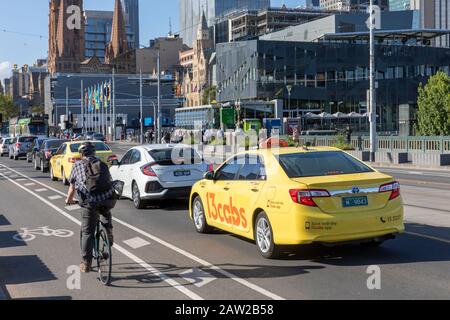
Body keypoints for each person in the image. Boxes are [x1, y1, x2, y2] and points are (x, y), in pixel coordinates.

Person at [65, 142, 116, 273]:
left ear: (81, 154)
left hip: (89, 202)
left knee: (87, 232)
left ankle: (86, 263)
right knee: (105, 210)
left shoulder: (77, 165)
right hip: (107, 199)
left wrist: (69, 200)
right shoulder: (102, 164)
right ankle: (108, 231)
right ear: (94, 153)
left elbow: (72, 188)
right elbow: (109, 182)